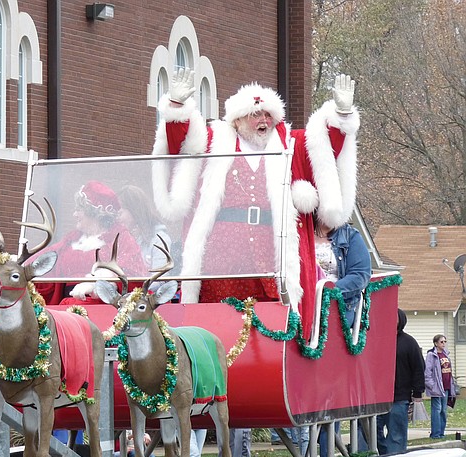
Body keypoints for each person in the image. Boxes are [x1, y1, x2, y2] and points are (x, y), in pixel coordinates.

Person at [152, 70, 360, 329]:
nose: (264, 120)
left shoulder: (289, 145)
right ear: (238, 120)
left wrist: (341, 115)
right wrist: (176, 107)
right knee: (217, 321)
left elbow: (327, 148)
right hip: (221, 260)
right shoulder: (214, 142)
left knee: (275, 320)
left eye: (268, 115)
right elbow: (179, 145)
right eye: (256, 115)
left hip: (273, 257)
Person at [35, 181, 146, 304]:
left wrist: (99, 283)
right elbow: (47, 257)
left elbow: (134, 274)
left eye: (79, 209)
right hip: (64, 305)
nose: (74, 214)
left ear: (93, 213)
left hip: (97, 308)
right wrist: (22, 267)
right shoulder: (72, 238)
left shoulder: (120, 238)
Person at [377, 309, 424, 454]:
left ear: (401, 320)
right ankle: (383, 455)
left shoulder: (409, 342)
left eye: (394, 316)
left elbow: (418, 368)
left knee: (397, 435)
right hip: (376, 397)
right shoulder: (377, 340)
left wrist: (417, 392)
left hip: (399, 397)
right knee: (369, 433)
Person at [313, 214, 371, 328]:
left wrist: (328, 293)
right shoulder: (299, 233)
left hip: (337, 306)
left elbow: (360, 275)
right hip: (302, 303)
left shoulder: (350, 236)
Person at [117, 184, 174, 270]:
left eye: (123, 208)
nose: (118, 213)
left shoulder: (159, 240)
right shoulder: (119, 240)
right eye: (117, 208)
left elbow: (159, 278)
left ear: (135, 210)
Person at [425, 333, 453, 439]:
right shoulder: (431, 355)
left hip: (445, 387)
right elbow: (427, 372)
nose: (444, 343)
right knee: (437, 410)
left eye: (445, 341)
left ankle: (441, 432)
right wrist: (432, 386)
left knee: (443, 411)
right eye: (441, 342)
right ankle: (435, 434)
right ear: (436, 343)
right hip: (436, 388)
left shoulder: (446, 355)